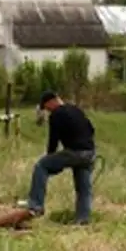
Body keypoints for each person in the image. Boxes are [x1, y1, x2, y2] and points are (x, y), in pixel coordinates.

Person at [23, 90, 96, 224]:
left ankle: (35, 206)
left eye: (46, 107)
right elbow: (91, 129)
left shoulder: (56, 114)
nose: (47, 110)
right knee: (83, 188)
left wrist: (50, 159)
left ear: (51, 102)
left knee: (41, 165)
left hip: (74, 152)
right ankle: (83, 218)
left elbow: (53, 140)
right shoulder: (76, 109)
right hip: (89, 152)